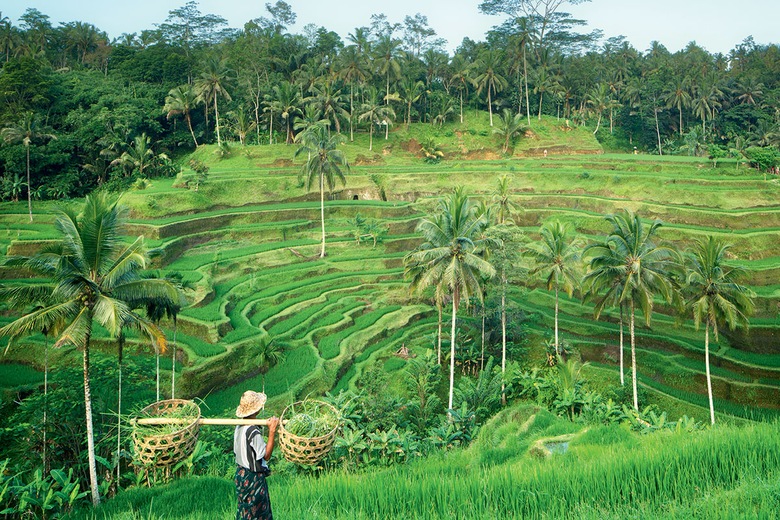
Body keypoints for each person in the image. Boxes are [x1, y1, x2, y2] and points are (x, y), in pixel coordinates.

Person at [234, 390, 279, 520]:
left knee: (245, 511)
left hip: (241, 475)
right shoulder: (253, 431)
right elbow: (265, 455)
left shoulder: (239, 426)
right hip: (253, 478)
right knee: (258, 513)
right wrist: (272, 431)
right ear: (256, 410)